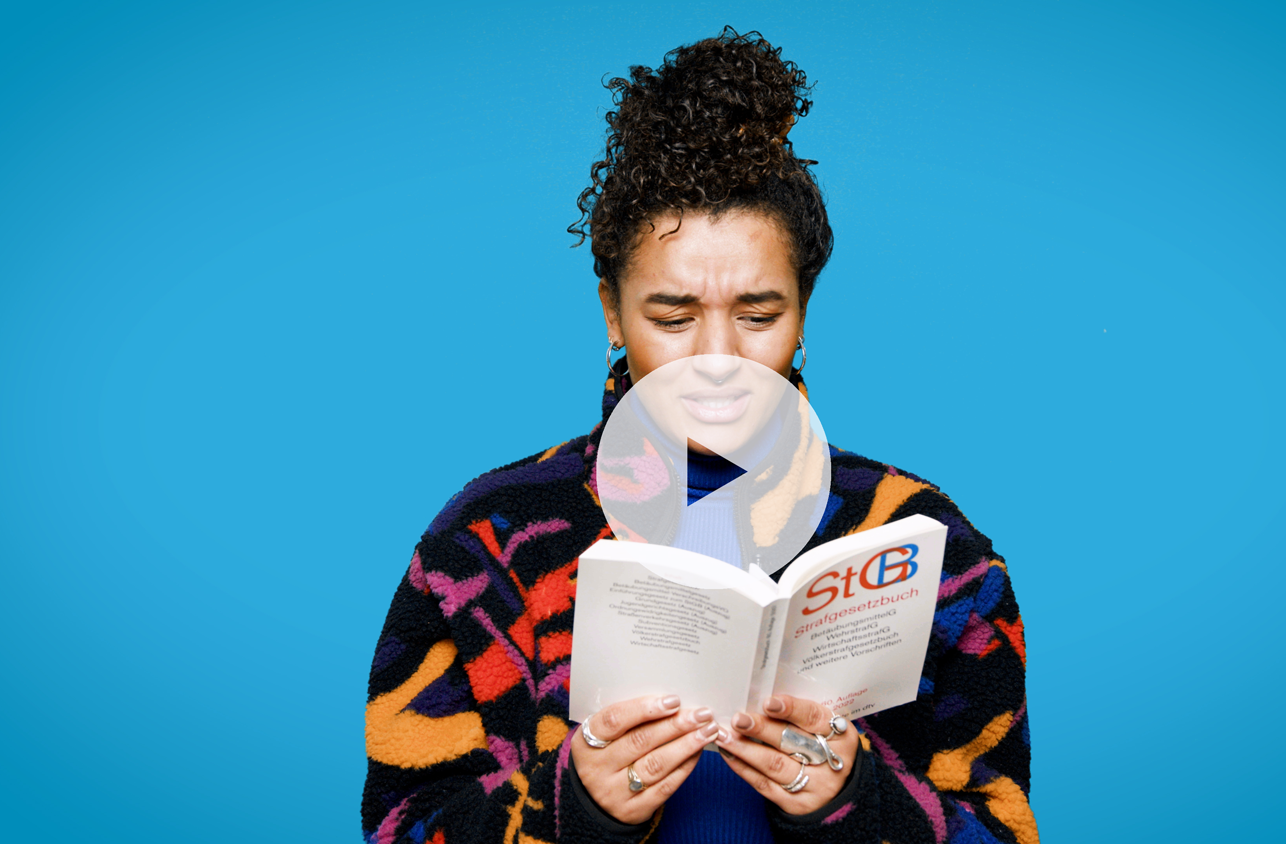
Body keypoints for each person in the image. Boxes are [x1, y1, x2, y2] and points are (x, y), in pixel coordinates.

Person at [362, 28, 1038, 844]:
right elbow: (400, 827)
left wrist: (858, 800)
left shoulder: (926, 542)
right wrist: (571, 807)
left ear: (803, 313)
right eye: (673, 316)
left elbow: (1004, 829)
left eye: (758, 315)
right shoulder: (485, 541)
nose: (718, 360)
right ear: (612, 313)